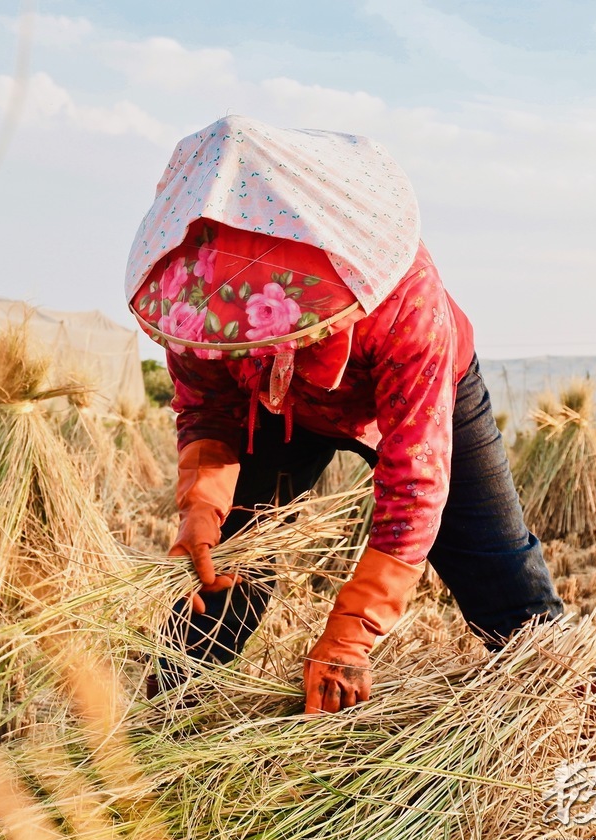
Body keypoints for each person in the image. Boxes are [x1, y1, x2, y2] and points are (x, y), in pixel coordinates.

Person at [125, 115, 564, 715]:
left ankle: (565, 724)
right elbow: (209, 406)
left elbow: (414, 483)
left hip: (419, 400)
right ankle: (166, 718)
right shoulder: (197, 297)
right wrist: (202, 504)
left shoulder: (407, 302)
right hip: (279, 411)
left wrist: (350, 635)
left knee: (497, 566)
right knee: (227, 559)